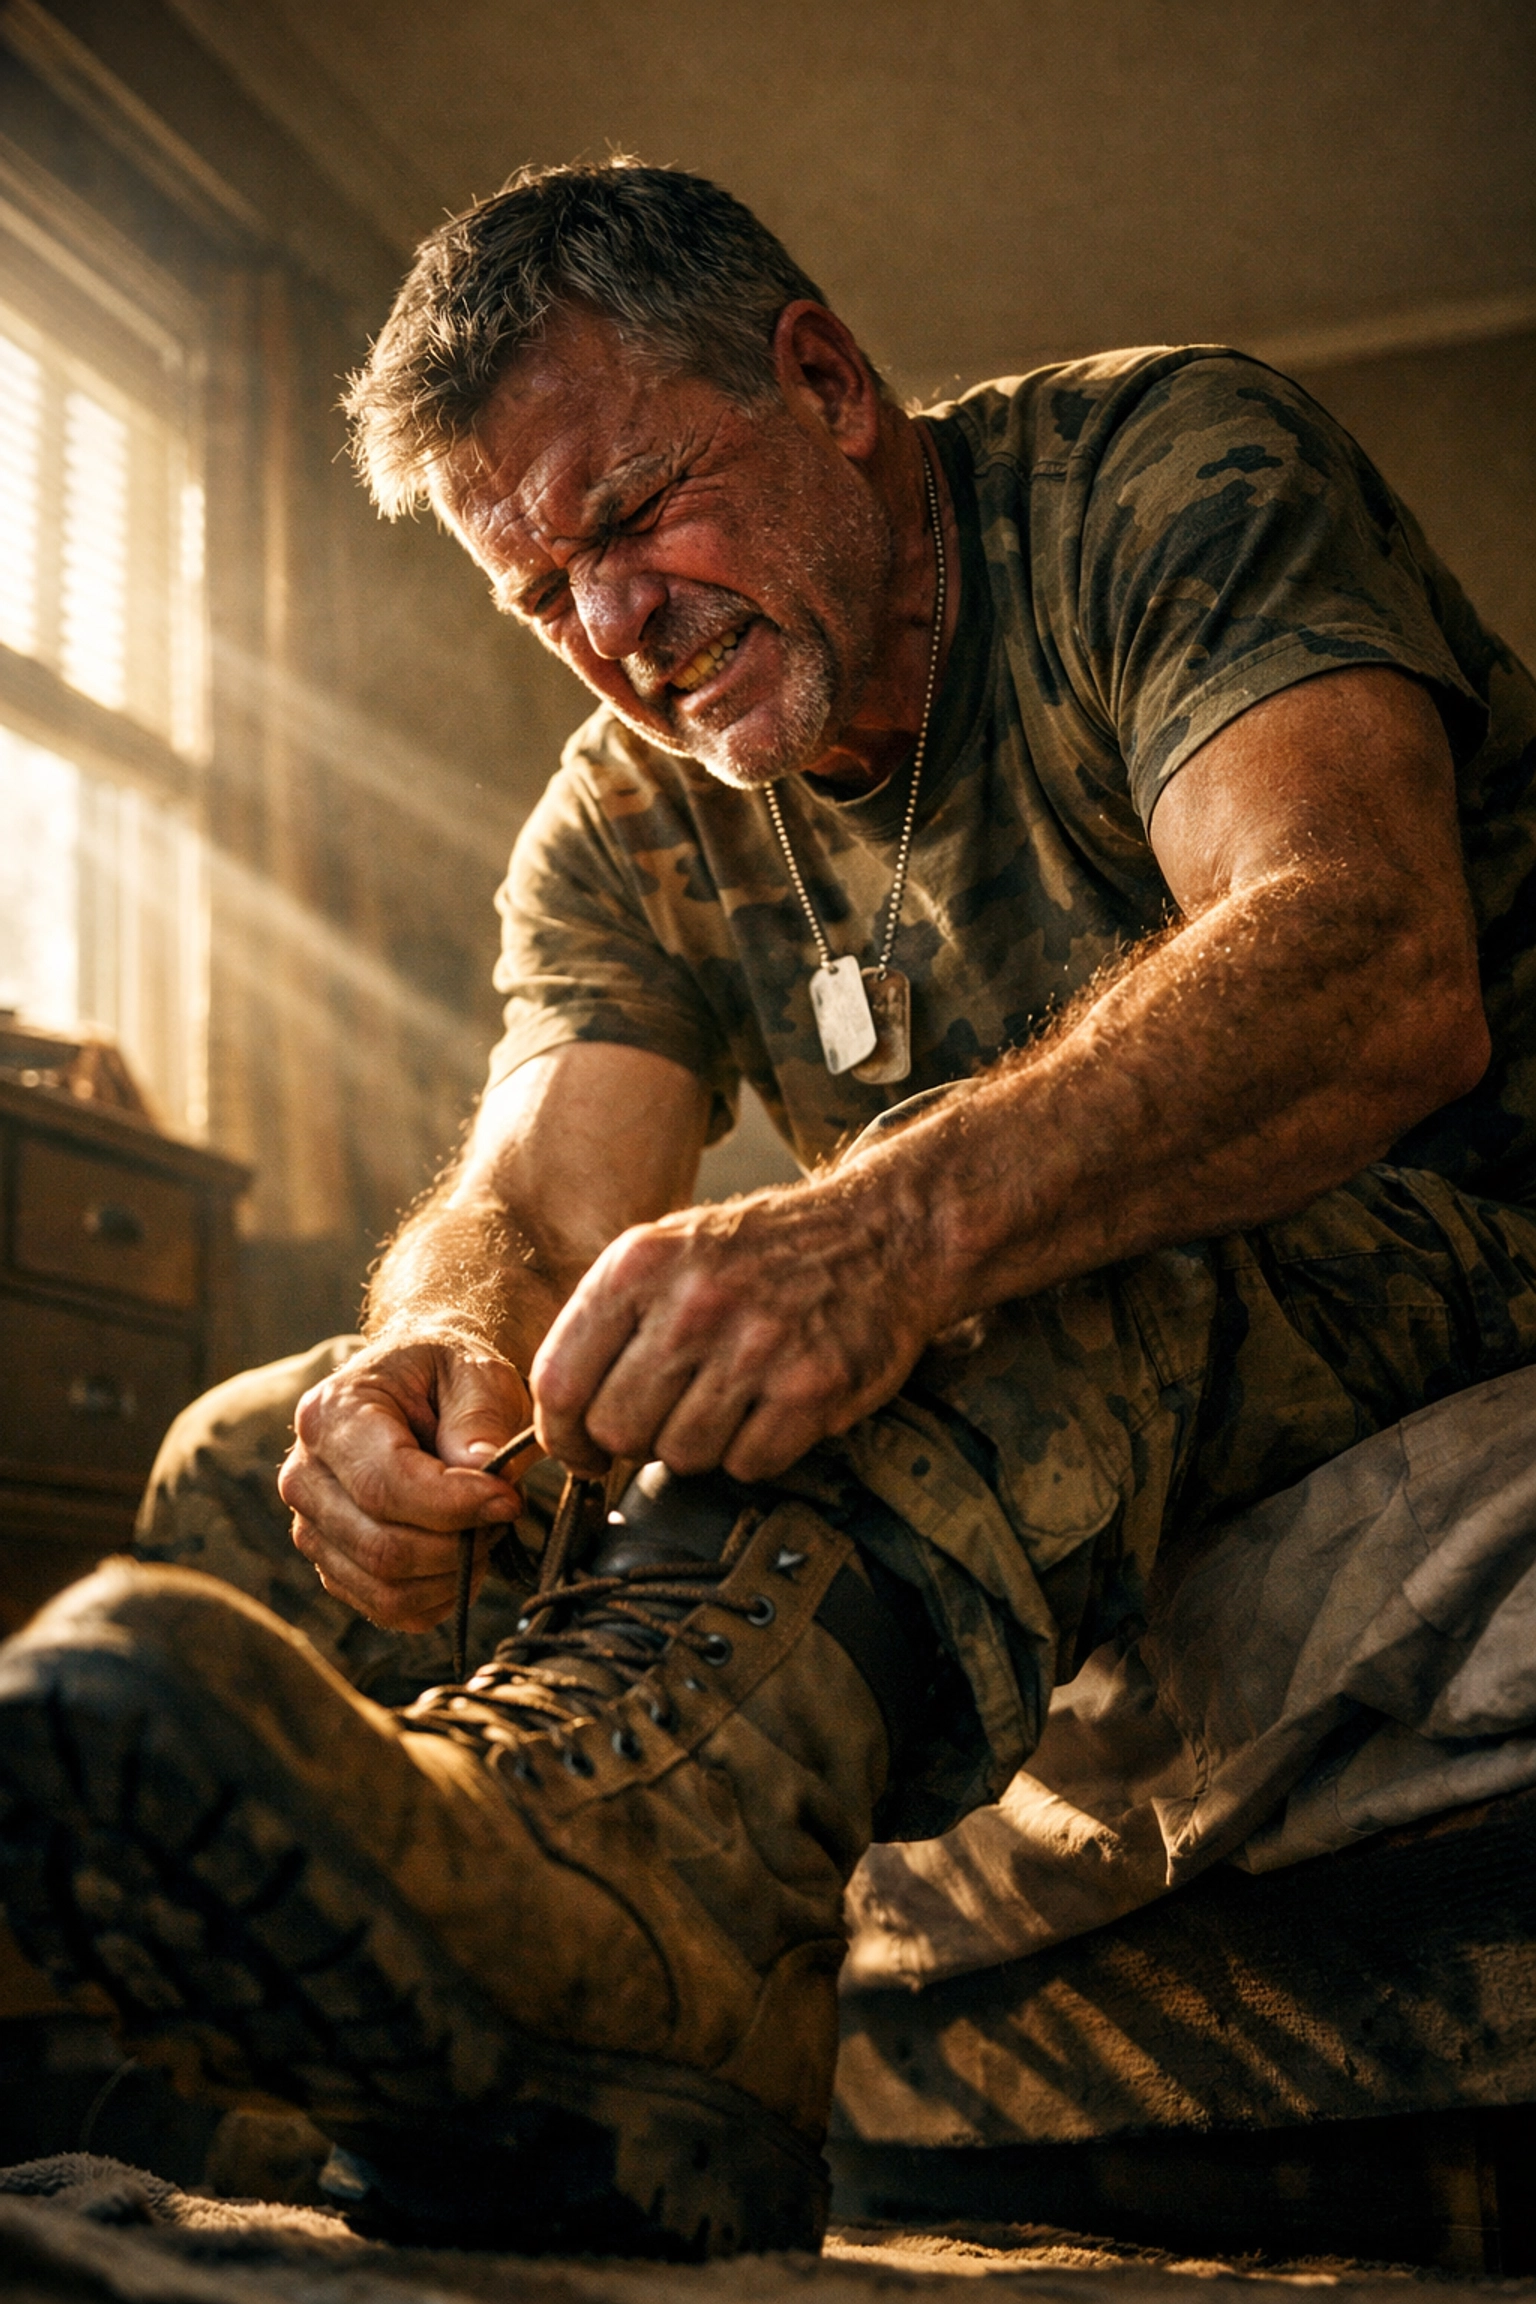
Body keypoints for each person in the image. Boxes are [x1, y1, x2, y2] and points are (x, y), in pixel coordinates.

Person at [3, 158, 1535, 2257]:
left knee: (996, 1264)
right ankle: (311, 2180)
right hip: (1131, 1303)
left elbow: (1368, 951)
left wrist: (881, 1229)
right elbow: (534, 1189)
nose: (615, 637)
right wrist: (435, 1352)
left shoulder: (1166, 466)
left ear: (823, 383)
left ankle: (655, 2042)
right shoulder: (624, 812)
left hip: (1461, 1226)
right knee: (236, 1464)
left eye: (632, 521)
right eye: (541, 595)